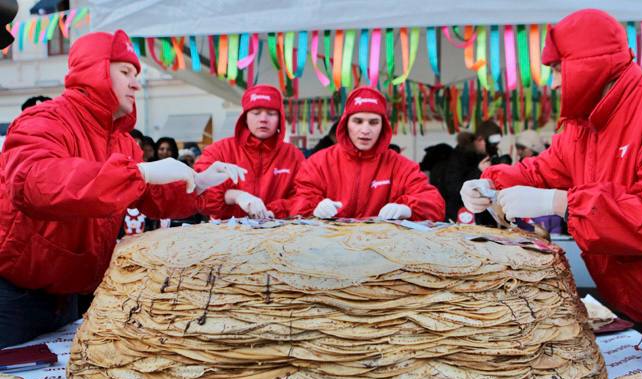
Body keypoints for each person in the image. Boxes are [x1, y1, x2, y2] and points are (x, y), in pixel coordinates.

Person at [461, 9, 642, 379]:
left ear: (588, 66)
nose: (552, 84)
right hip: (636, 311)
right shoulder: (582, 127)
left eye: (558, 71)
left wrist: (561, 203)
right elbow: (542, 169)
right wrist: (490, 181)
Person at [0, 30, 244, 348]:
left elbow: (152, 196)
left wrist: (197, 183)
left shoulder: (124, 143)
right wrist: (139, 171)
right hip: (15, 294)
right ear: (95, 71)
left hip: (75, 295)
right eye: (125, 71)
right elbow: (33, 183)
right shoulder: (44, 120)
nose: (135, 83)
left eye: (136, 74)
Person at [293, 86, 444, 221]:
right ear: (346, 124)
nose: (365, 130)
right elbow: (298, 202)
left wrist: (407, 209)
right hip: (329, 248)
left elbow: (434, 204)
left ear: (383, 126)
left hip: (382, 249)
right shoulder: (319, 162)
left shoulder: (400, 165)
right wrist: (314, 207)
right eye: (358, 121)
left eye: (373, 122)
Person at [195, 84, 304, 220]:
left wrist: (274, 211)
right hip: (227, 236)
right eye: (256, 112)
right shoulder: (219, 151)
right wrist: (235, 196)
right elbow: (200, 195)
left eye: (271, 113)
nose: (263, 119)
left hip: (278, 235)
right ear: (245, 117)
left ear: (280, 118)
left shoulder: (293, 156)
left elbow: (303, 196)